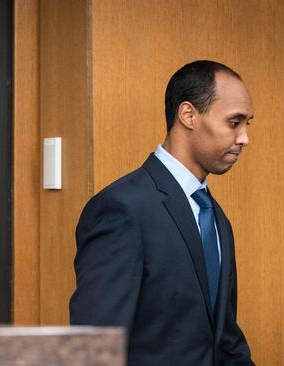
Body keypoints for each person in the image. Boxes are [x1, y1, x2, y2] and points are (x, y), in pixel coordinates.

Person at [70, 60, 255, 365]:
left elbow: (225, 339)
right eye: (234, 122)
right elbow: (94, 348)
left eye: (247, 124)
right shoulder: (122, 209)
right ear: (188, 115)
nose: (244, 137)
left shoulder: (216, 218)